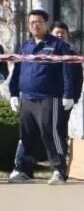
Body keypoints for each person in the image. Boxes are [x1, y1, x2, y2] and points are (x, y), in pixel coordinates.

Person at [8, 10, 75, 184]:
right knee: (26, 135)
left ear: (46, 24)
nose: (35, 25)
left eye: (38, 22)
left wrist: (68, 94)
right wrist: (13, 93)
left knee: (50, 133)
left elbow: (67, 71)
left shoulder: (58, 45)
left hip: (49, 97)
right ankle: (23, 169)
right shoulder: (25, 46)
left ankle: (59, 170)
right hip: (27, 98)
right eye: (31, 23)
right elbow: (17, 71)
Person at [50, 21, 84, 145]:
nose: (60, 35)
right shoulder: (46, 53)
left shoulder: (73, 55)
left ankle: (61, 151)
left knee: (61, 127)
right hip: (48, 98)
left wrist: (74, 97)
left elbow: (78, 78)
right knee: (48, 127)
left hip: (66, 99)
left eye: (63, 33)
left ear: (68, 35)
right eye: (57, 32)